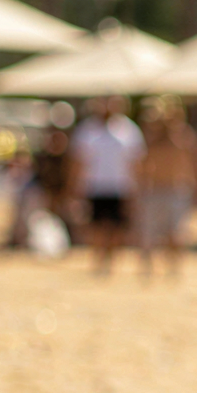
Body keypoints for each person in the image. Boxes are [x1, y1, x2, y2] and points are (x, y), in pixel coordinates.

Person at [69, 96, 143, 276]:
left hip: (120, 185)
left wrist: (137, 188)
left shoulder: (129, 130)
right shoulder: (87, 129)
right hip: (95, 185)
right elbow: (78, 161)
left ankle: (111, 261)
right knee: (96, 225)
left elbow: (137, 162)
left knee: (117, 227)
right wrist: (74, 187)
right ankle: (98, 260)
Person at [137, 104, 197, 280]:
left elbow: (191, 163)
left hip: (175, 190)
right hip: (156, 189)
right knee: (150, 234)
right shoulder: (154, 139)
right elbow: (144, 164)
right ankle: (148, 267)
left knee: (176, 233)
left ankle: (173, 267)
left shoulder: (182, 138)